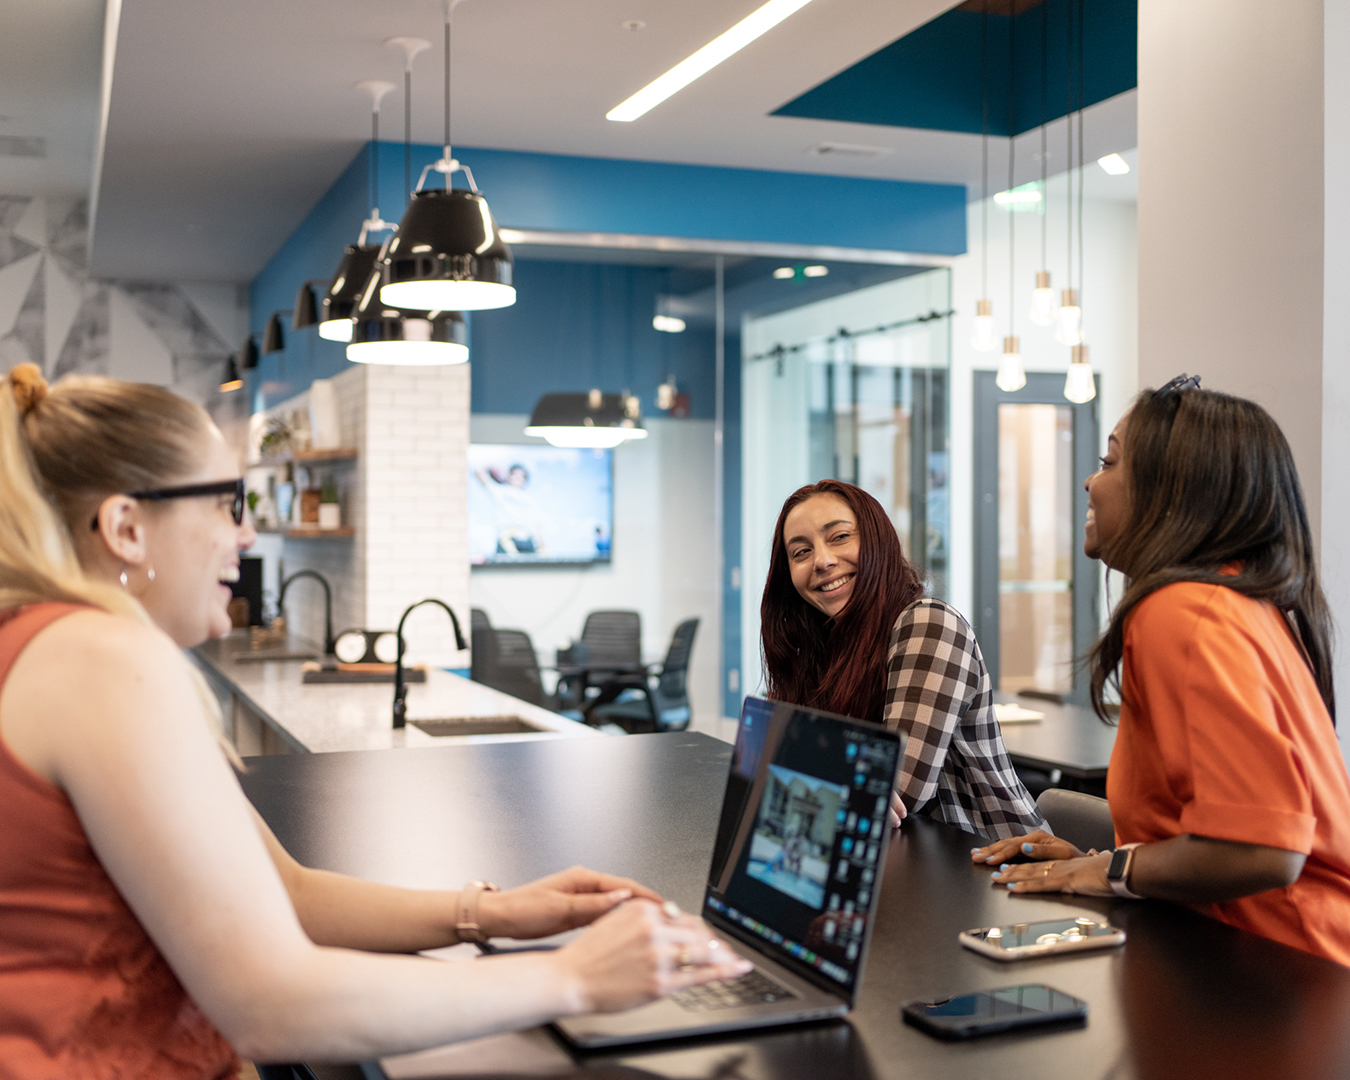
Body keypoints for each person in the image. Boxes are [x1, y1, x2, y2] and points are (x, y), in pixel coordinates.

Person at [0, 364, 750, 1076]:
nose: (247, 536)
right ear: (126, 526)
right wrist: (576, 979)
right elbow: (272, 1005)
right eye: (228, 504)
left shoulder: (49, 644)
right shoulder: (105, 659)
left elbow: (287, 895)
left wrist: (494, 913)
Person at [973, 376, 1350, 968]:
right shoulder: (1237, 603)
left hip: (1287, 974)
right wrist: (1102, 862)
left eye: (1110, 462)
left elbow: (1265, 851)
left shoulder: (1181, 611)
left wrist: (1107, 869)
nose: (1091, 481)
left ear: (1173, 494)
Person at [761, 479, 1043, 841]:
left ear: (877, 541)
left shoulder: (928, 623)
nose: (823, 561)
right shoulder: (825, 645)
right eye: (800, 552)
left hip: (998, 867)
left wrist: (809, 776)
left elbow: (898, 790)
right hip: (907, 861)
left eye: (840, 536)